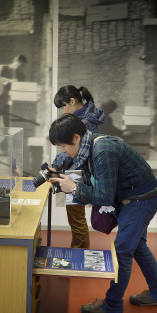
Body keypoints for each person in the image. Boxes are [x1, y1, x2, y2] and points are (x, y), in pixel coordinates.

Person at [48, 114, 157, 313]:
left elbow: (104, 196)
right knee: (138, 247)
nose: (63, 150)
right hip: (132, 198)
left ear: (76, 137)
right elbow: (94, 185)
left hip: (141, 200)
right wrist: (64, 182)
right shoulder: (88, 148)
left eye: (63, 145)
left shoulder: (103, 151)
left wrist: (74, 188)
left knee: (122, 250)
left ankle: (112, 305)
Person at [52, 85, 105, 249]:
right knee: (75, 218)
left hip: (77, 172)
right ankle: (77, 249)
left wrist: (56, 164)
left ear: (72, 101)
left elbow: (74, 153)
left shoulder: (85, 123)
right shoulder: (85, 119)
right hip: (76, 171)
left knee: (76, 218)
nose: (63, 111)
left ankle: (79, 251)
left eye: (63, 106)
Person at [0, 54, 28, 128]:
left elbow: (21, 89)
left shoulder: (22, 76)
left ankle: (6, 139)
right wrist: (10, 81)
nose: (22, 68)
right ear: (17, 61)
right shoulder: (3, 67)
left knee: (8, 129)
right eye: (22, 65)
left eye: (24, 66)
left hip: (10, 104)